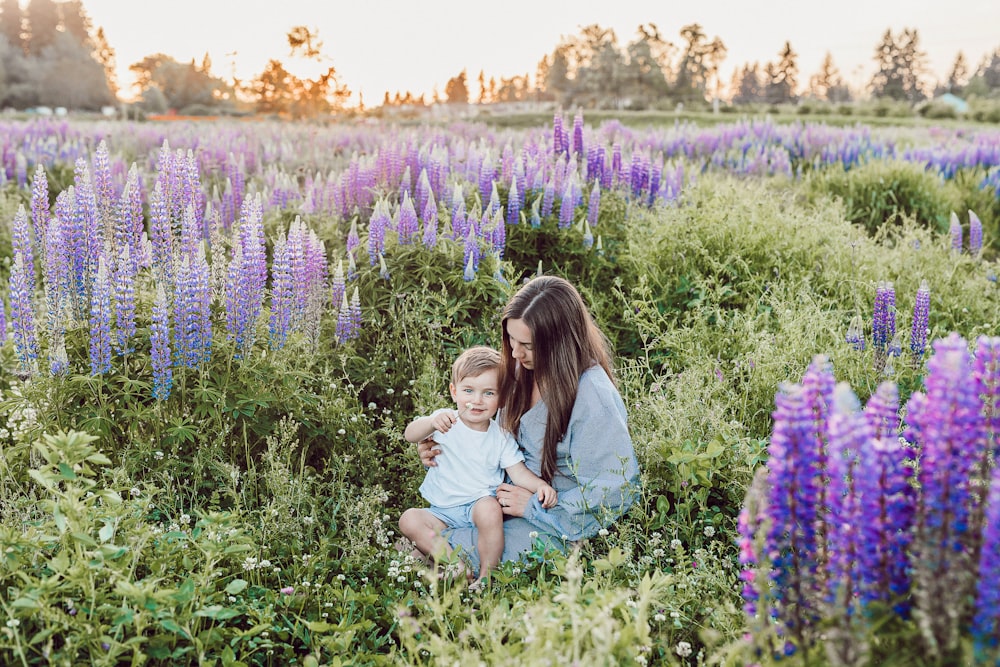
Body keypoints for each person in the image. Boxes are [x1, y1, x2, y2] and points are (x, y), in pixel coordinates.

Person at [418, 275, 640, 574]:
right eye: (511, 339)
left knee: (468, 547)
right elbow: (495, 439)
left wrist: (533, 506)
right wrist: (448, 445)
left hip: (555, 519)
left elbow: (615, 489)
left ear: (559, 343)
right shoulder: (521, 368)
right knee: (419, 524)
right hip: (492, 501)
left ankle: (459, 566)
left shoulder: (593, 397)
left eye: (528, 345)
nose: (515, 353)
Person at [399, 346, 557, 584]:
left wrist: (540, 486)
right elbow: (410, 434)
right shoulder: (445, 422)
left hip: (477, 505)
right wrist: (431, 422)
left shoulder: (501, 436)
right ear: (454, 392)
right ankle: (456, 565)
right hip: (442, 510)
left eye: (488, 393)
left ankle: (486, 575)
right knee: (409, 519)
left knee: (490, 509)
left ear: (502, 398)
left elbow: (519, 472)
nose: (477, 401)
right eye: (468, 391)